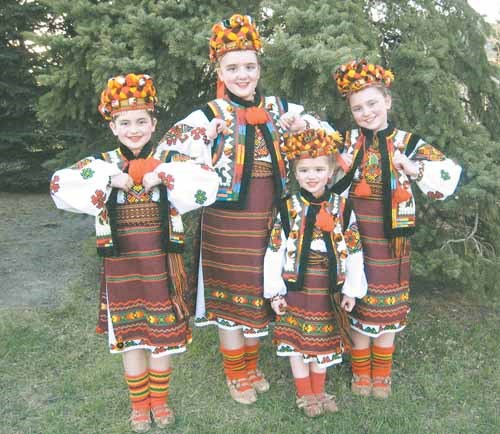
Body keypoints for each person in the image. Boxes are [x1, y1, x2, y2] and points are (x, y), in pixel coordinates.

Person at [50, 73, 218, 432]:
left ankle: (160, 402)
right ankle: (139, 406)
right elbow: (58, 186)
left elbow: (209, 181)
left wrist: (166, 177)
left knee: (162, 340)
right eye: (125, 122)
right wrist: (108, 179)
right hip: (122, 265)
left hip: (160, 264)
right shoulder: (103, 163)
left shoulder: (167, 159)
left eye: (142, 121)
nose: (134, 129)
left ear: (154, 123)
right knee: (131, 337)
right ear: (113, 127)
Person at [156, 14, 311, 404]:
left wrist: (300, 126)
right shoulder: (208, 115)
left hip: (270, 218)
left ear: (259, 68)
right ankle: (234, 373)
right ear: (220, 70)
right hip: (226, 221)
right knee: (229, 295)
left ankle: (253, 365)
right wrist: (202, 142)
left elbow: (323, 142)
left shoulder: (280, 108)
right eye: (233, 67)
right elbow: (165, 154)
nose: (242, 75)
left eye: (249, 66)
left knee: (260, 289)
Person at [332, 59, 462, 399]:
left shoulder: (408, 142)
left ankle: (382, 373)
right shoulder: (344, 141)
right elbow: (310, 149)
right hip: (357, 237)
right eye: (358, 107)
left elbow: (448, 176)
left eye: (372, 103)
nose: (366, 112)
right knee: (358, 297)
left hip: (393, 240)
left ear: (387, 101)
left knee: (388, 304)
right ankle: (361, 372)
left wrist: (415, 169)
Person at [263, 128, 367, 417]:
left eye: (319, 169)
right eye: (304, 169)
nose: (312, 175)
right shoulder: (287, 208)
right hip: (296, 287)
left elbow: (355, 249)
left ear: (331, 171)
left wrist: (351, 290)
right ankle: (305, 393)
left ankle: (320, 390)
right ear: (295, 173)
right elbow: (274, 251)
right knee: (297, 342)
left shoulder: (343, 208)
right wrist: (274, 293)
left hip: (328, 287)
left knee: (323, 340)